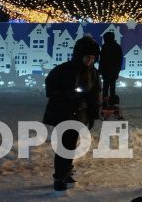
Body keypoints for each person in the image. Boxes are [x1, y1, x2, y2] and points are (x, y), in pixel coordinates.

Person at [42, 36, 101, 191]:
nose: (89, 61)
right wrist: (65, 95)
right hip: (63, 113)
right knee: (64, 146)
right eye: (87, 57)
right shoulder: (65, 69)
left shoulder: (93, 73)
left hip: (79, 114)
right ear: (79, 55)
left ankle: (65, 171)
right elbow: (50, 86)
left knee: (70, 145)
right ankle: (59, 177)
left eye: (93, 58)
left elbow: (95, 94)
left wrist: (93, 113)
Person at [99, 31, 123, 106]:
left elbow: (102, 60)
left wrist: (100, 70)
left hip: (106, 71)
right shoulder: (117, 47)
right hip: (114, 70)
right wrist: (118, 70)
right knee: (112, 87)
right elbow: (120, 60)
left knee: (105, 87)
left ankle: (105, 103)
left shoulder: (105, 47)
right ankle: (112, 102)